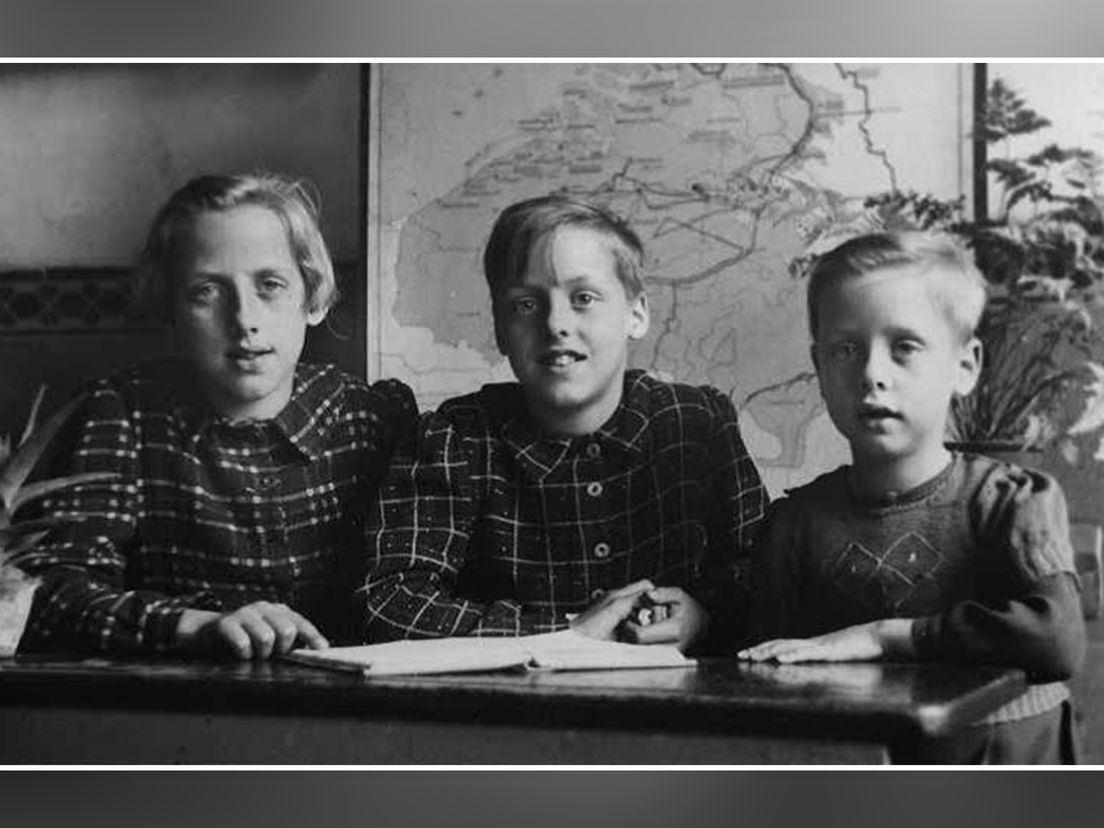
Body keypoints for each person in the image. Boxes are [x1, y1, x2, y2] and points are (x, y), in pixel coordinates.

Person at [12, 172, 416, 660]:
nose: (244, 318)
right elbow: (55, 593)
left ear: (312, 297)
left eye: (269, 285)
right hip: (187, 709)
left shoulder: (372, 418)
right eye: (206, 291)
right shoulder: (124, 415)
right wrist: (194, 625)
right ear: (171, 309)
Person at [362, 194, 767, 653]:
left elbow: (764, 576)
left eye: (584, 298)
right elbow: (390, 602)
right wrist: (565, 632)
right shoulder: (454, 439)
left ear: (637, 313)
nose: (555, 323)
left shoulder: (697, 425)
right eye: (525, 305)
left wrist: (704, 614)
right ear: (498, 327)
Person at [739, 231, 1086, 763]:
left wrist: (888, 636)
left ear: (965, 366)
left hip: (1003, 764)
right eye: (846, 350)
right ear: (820, 368)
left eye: (904, 347)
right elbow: (762, 671)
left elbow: (1055, 639)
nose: (873, 375)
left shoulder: (1012, 504)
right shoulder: (794, 525)